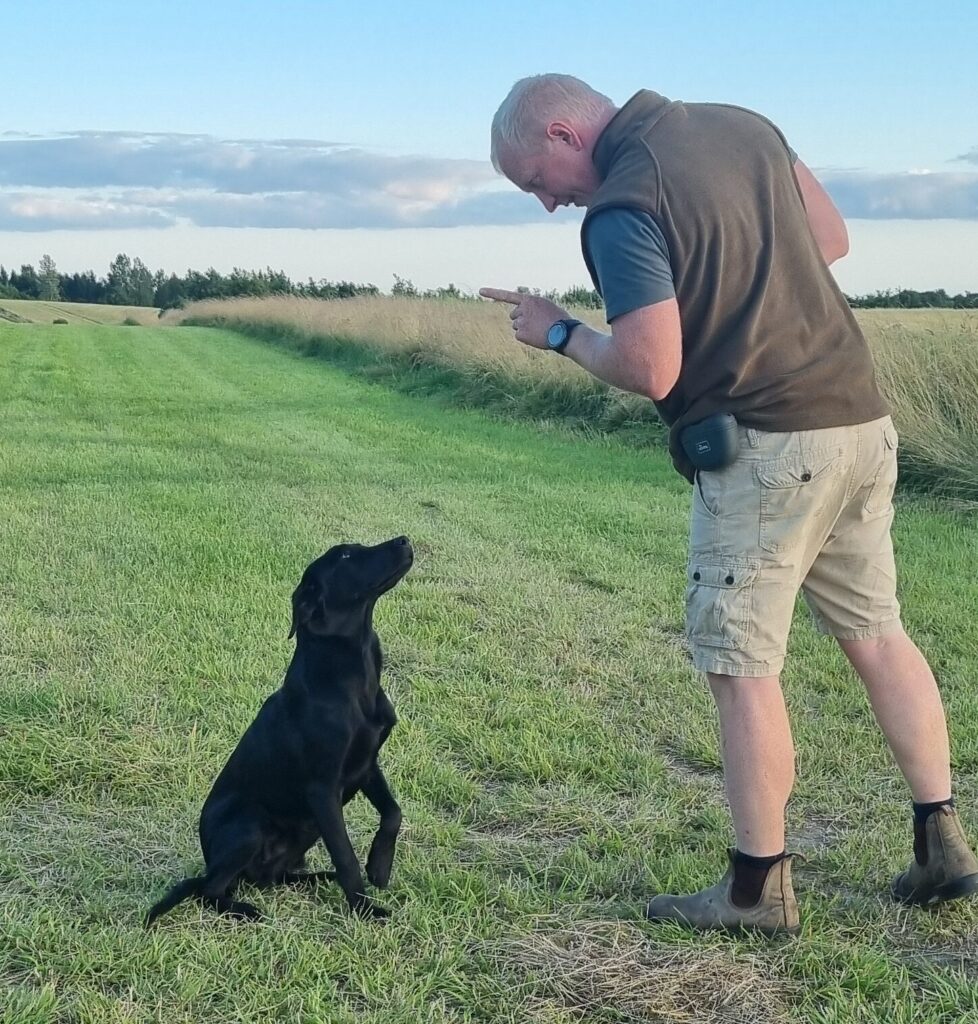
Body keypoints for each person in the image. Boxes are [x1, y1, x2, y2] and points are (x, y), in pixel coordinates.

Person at [480, 74, 978, 936]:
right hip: (860, 422)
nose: (550, 206)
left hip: (765, 449)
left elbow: (650, 369)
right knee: (879, 634)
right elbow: (830, 237)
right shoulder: (747, 126)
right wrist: (742, 281)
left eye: (537, 182)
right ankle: (944, 844)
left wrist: (558, 332)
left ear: (564, 132)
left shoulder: (624, 204)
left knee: (741, 667)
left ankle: (757, 891)